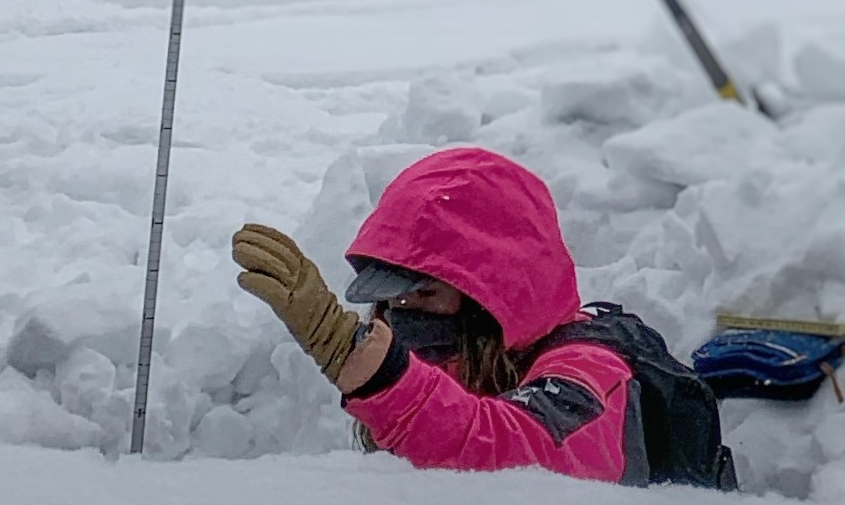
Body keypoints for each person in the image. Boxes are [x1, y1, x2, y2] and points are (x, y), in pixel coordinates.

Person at [233, 146, 640, 483]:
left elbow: (518, 458)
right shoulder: (460, 356)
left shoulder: (591, 370)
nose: (405, 310)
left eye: (426, 292)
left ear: (491, 296)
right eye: (393, 296)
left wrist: (370, 369)